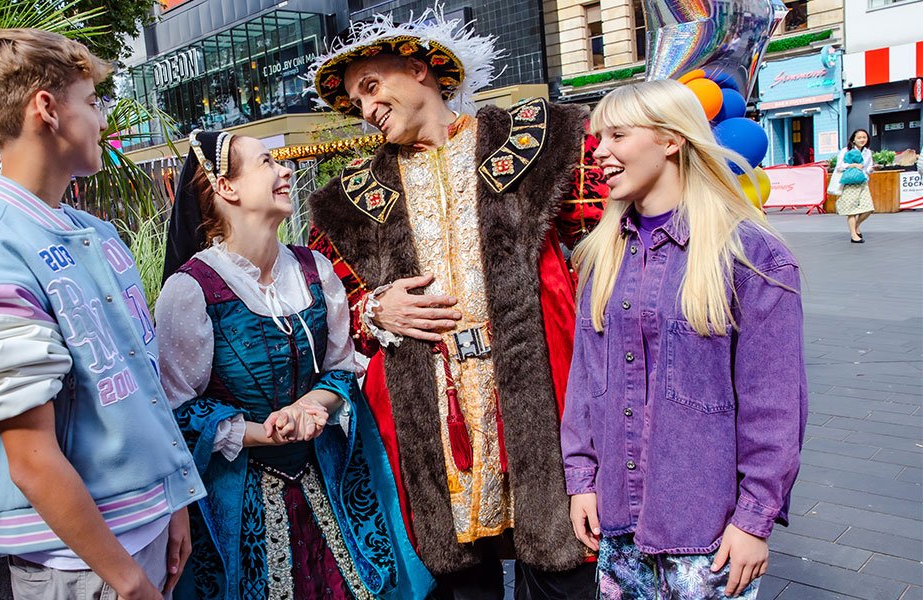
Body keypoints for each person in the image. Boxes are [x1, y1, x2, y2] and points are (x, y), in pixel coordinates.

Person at [303, 9, 607, 599]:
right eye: (354, 101)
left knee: (563, 576)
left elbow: (608, 231)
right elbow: (334, 308)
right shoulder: (348, 204)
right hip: (435, 424)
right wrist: (374, 312)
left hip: (542, 398)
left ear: (419, 70)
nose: (366, 109)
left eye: (371, 87)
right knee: (462, 583)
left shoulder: (536, 143)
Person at [0, 28, 204, 600]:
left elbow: (139, 382)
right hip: (80, 566)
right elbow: (33, 460)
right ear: (46, 107)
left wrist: (173, 504)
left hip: (134, 539)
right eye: (91, 102)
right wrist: (124, 580)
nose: (101, 120)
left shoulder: (92, 232)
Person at [157, 130, 433, 599]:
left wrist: (311, 402)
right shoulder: (191, 291)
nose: (285, 171)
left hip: (326, 478)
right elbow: (178, 410)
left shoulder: (313, 270)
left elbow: (342, 368)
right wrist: (264, 431)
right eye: (267, 163)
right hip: (241, 493)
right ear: (227, 187)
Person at [562, 79, 807, 599]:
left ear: (671, 140)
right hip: (618, 524)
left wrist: (755, 520)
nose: (599, 152)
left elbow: (776, 404)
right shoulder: (598, 255)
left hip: (709, 534)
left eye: (617, 136)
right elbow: (585, 383)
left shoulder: (751, 256)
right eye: (597, 138)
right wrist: (581, 480)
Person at [834, 129, 875, 243]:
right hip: (849, 183)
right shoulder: (845, 151)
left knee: (869, 209)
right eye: (859, 137)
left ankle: (856, 225)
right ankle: (853, 235)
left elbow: (867, 169)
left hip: (862, 182)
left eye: (864, 137)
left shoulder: (867, 152)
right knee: (851, 210)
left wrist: (871, 169)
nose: (862, 140)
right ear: (854, 139)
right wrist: (853, 165)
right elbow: (839, 166)